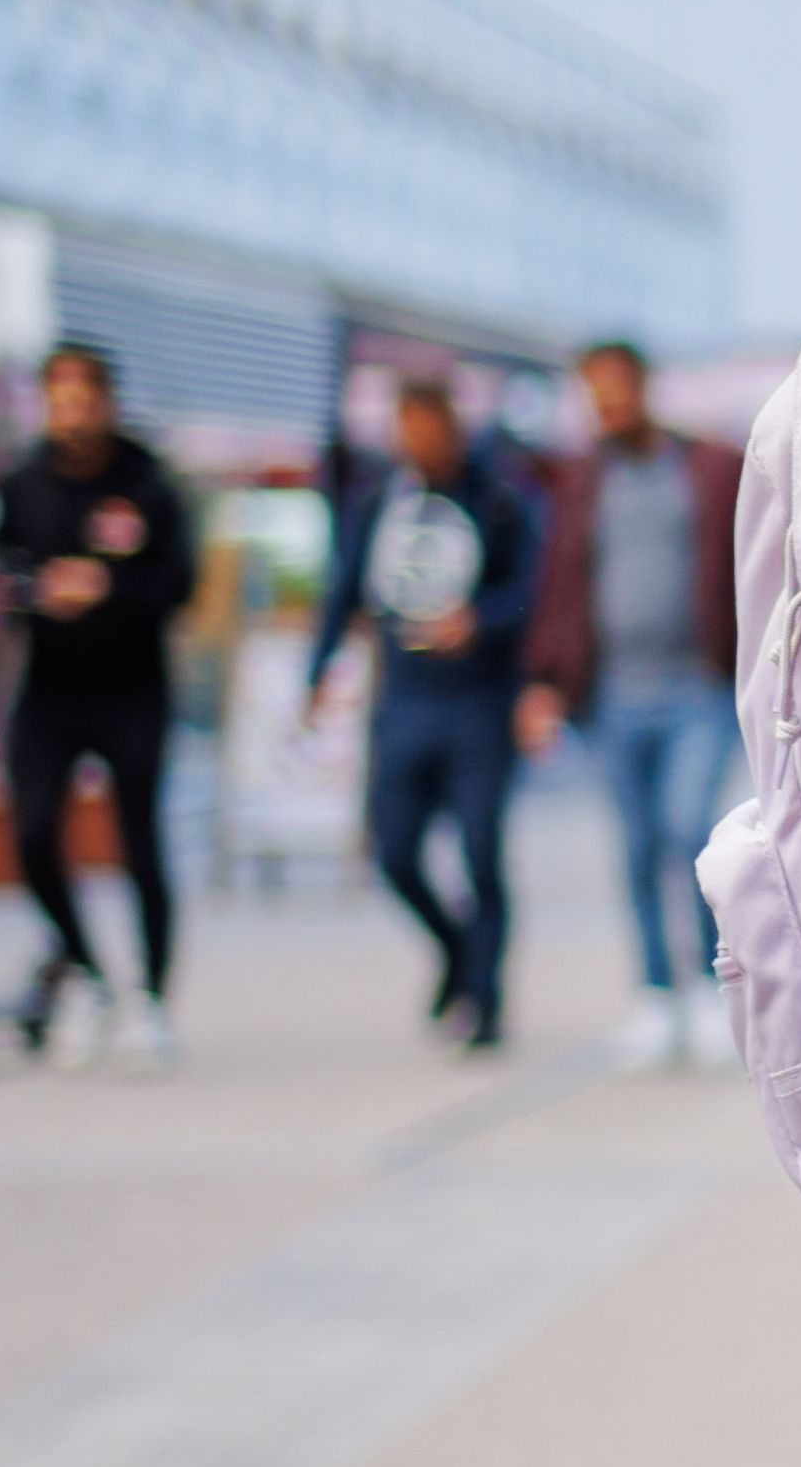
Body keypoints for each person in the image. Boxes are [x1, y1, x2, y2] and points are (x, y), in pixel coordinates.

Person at [0, 339, 192, 1068]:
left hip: (133, 687)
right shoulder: (19, 484)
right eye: (58, 401)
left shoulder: (148, 484)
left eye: (83, 401)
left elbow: (181, 584)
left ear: (106, 403)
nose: (71, 416)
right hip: (48, 687)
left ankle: (150, 1000)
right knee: (32, 831)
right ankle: (87, 973)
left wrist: (108, 589)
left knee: (139, 845)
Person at [518, 340, 747, 1068]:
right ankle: (656, 996)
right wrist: (543, 682)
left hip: (696, 687)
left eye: (616, 390)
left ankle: (714, 993)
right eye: (594, 394)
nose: (607, 406)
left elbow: (758, 556)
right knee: (637, 845)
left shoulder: (707, 467)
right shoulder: (583, 480)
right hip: (613, 694)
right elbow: (559, 585)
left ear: (644, 389)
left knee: (688, 832)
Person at [312, 372, 540, 1052]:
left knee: (479, 851)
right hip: (405, 697)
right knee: (394, 852)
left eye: (430, 428)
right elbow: (344, 587)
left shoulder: (499, 497)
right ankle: (456, 951)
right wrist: (316, 672)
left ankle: (485, 997)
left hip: (478, 701)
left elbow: (535, 591)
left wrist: (483, 621)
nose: (419, 442)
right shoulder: (378, 498)